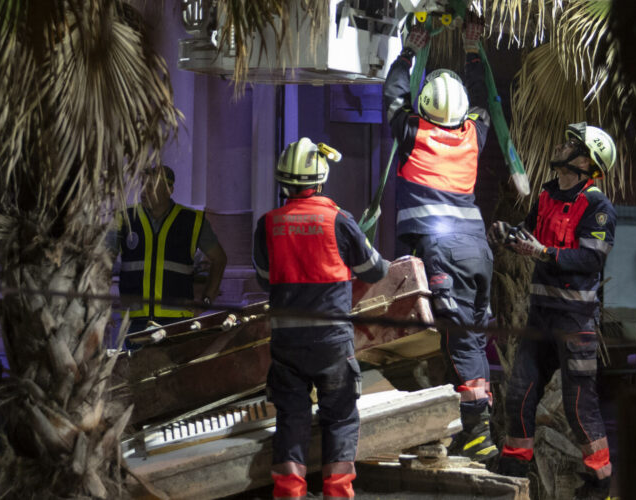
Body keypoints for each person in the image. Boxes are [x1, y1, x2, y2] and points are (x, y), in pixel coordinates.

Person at [382, 18, 499, 462]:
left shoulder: (414, 135)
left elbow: (393, 95)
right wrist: (473, 49)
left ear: (426, 107)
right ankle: (471, 423)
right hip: (477, 250)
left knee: (460, 341)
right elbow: (485, 100)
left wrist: (409, 52)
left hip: (443, 252)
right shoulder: (474, 135)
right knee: (471, 335)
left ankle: (476, 431)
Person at [252, 138, 389, 500]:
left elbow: (264, 279)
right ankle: (337, 493)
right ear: (321, 177)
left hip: (286, 345)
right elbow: (373, 272)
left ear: (284, 180)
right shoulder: (339, 220)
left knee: (291, 419)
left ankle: (289, 493)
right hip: (331, 342)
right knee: (340, 417)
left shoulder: (267, 224)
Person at [489, 123, 617, 500]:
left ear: (586, 161)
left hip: (574, 323)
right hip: (540, 316)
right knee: (520, 393)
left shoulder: (598, 207)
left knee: (580, 407)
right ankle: (514, 465)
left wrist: (543, 253)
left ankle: (599, 482)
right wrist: (508, 235)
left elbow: (590, 259)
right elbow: (529, 234)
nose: (561, 146)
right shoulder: (546, 194)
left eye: (571, 145)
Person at [115, 165, 227, 335]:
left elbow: (219, 259)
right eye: (142, 184)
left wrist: (206, 301)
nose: (144, 190)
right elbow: (102, 259)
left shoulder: (192, 221)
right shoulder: (126, 218)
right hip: (134, 321)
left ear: (169, 190)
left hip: (176, 320)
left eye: (151, 186)